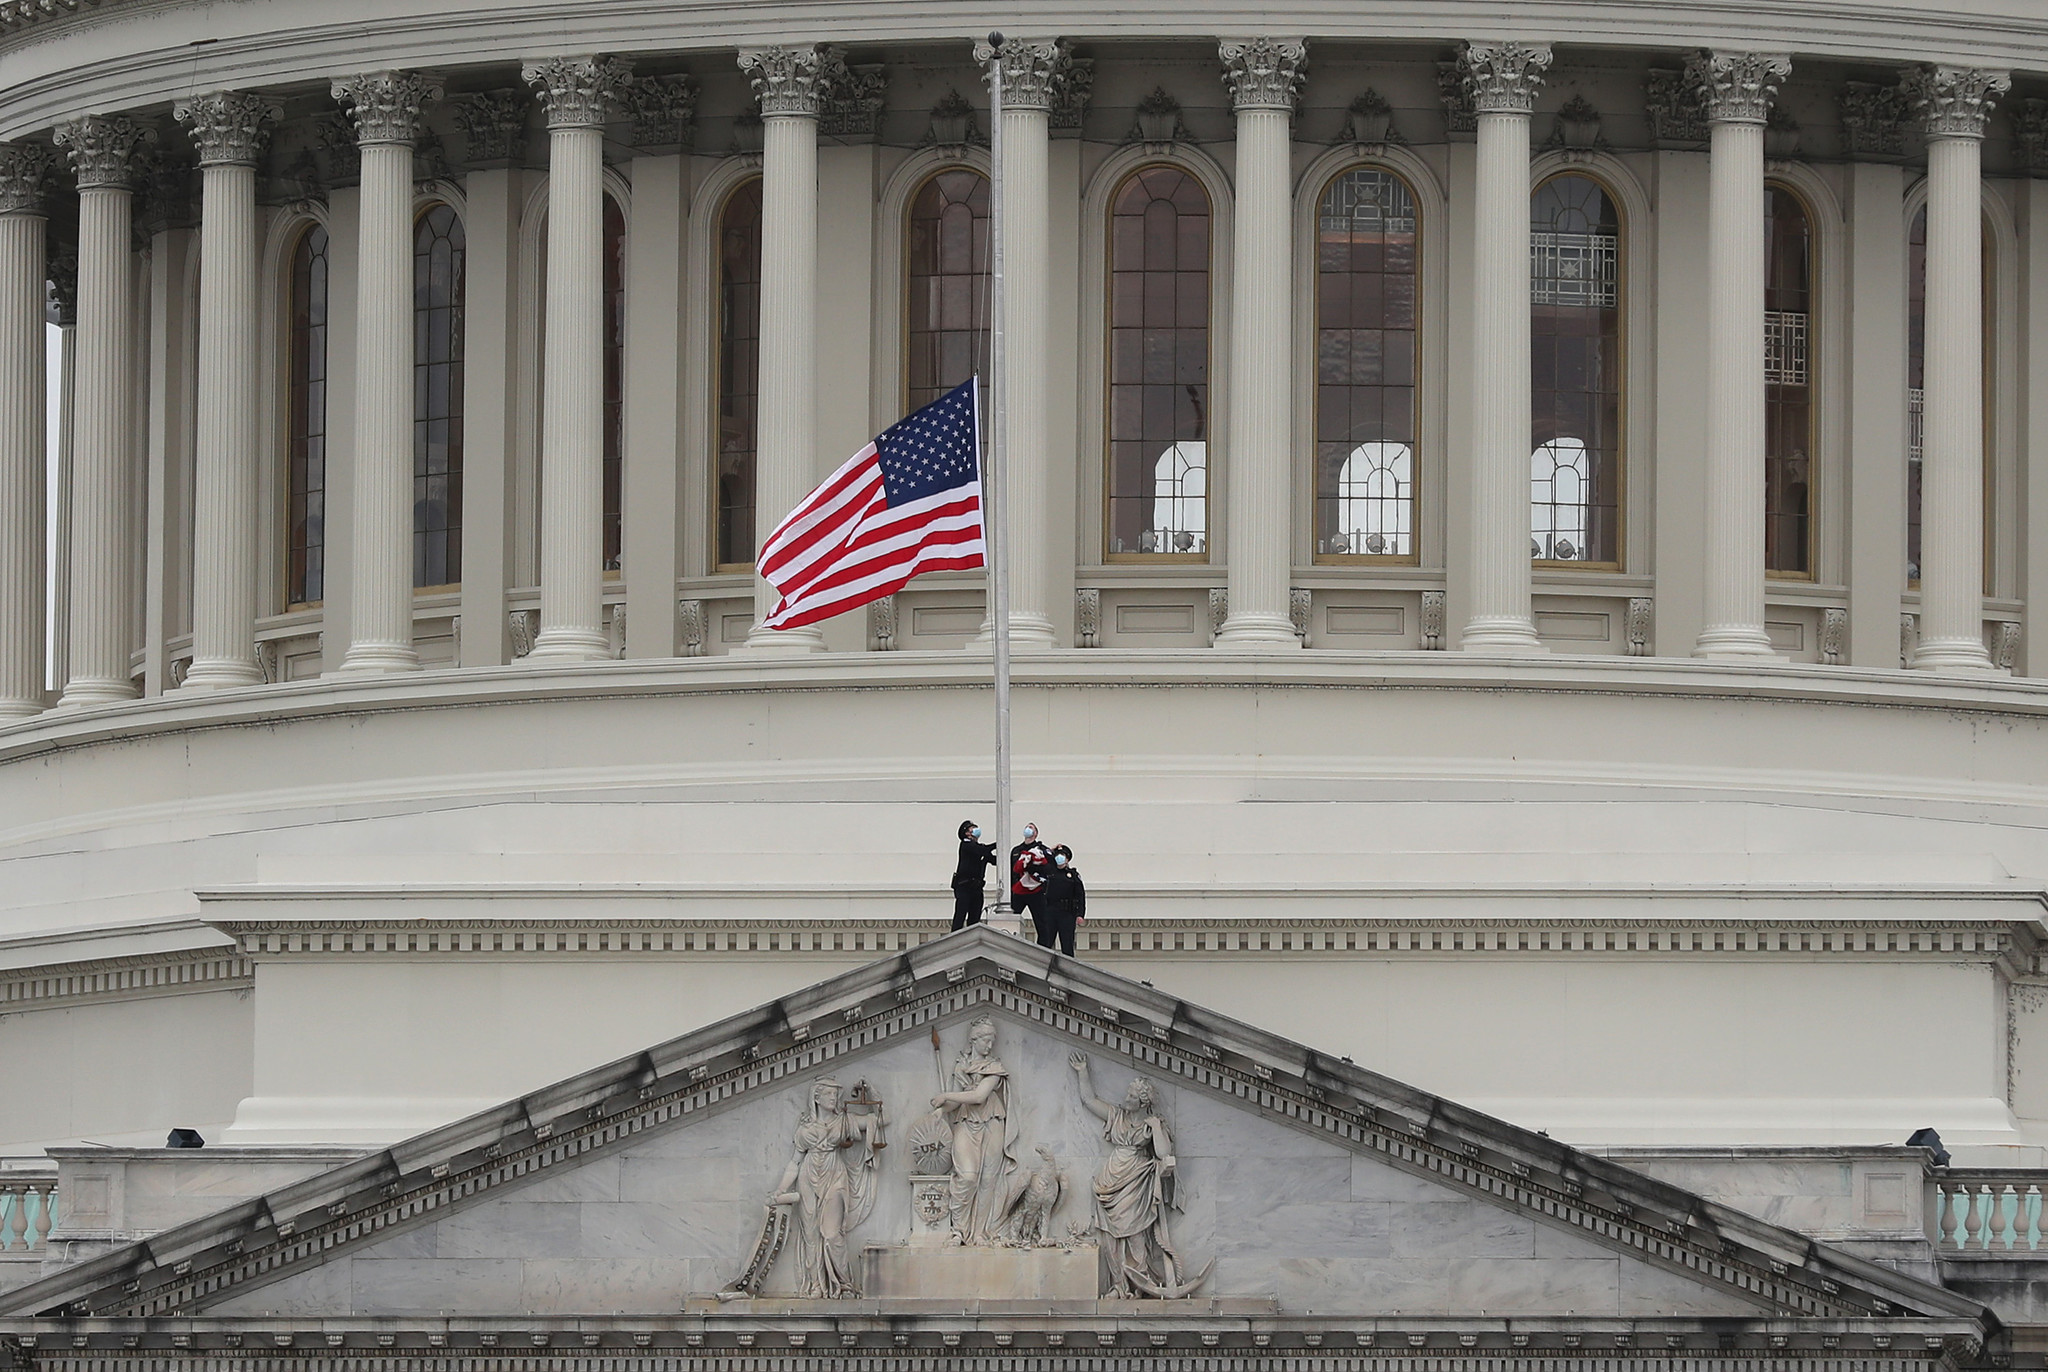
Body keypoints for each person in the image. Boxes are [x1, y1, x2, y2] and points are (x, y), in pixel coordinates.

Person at [763, 1077, 886, 1298]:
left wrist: (873, 1095)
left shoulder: (844, 1121)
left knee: (831, 1233)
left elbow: (879, 1121)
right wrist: (780, 1189)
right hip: (808, 1177)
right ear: (816, 1098)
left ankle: (844, 1284)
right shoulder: (805, 1129)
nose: (834, 1098)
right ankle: (816, 1285)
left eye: (835, 1095)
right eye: (829, 1094)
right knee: (810, 1235)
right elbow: (794, 1162)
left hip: (835, 1175)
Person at [929, 1014, 1015, 1242]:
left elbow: (978, 1096)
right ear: (974, 1039)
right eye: (986, 1040)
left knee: (988, 1180)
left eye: (992, 1041)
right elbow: (959, 1101)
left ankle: (979, 1232)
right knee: (967, 1176)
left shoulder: (995, 1067)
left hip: (992, 1123)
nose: (989, 1046)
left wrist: (945, 1095)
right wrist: (942, 1109)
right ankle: (958, 1230)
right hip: (966, 1123)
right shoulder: (961, 1066)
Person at [1039, 844, 1085, 956]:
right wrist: (1051, 850)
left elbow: (1080, 896)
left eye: (1062, 855)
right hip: (1050, 911)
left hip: (1067, 913)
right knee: (1045, 943)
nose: (1059, 857)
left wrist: (1080, 914)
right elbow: (1041, 854)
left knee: (1067, 944)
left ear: (1067, 859)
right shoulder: (1049, 872)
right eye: (1057, 855)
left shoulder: (1073, 875)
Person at [951, 820, 997, 930]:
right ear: (967, 833)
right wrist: (997, 844)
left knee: (975, 918)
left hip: (976, 887)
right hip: (964, 886)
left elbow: (992, 859)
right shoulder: (966, 845)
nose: (976, 829)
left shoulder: (979, 848)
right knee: (960, 916)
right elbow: (981, 850)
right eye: (972, 828)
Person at [1009, 822, 1051, 938]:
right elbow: (1011, 870)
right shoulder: (1017, 850)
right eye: (1027, 827)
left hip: (1036, 891)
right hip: (1019, 890)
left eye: (1031, 828)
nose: (1028, 829)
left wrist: (1033, 868)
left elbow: (1048, 868)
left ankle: (1043, 949)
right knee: (1011, 918)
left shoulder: (1041, 850)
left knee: (1041, 922)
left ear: (1036, 833)